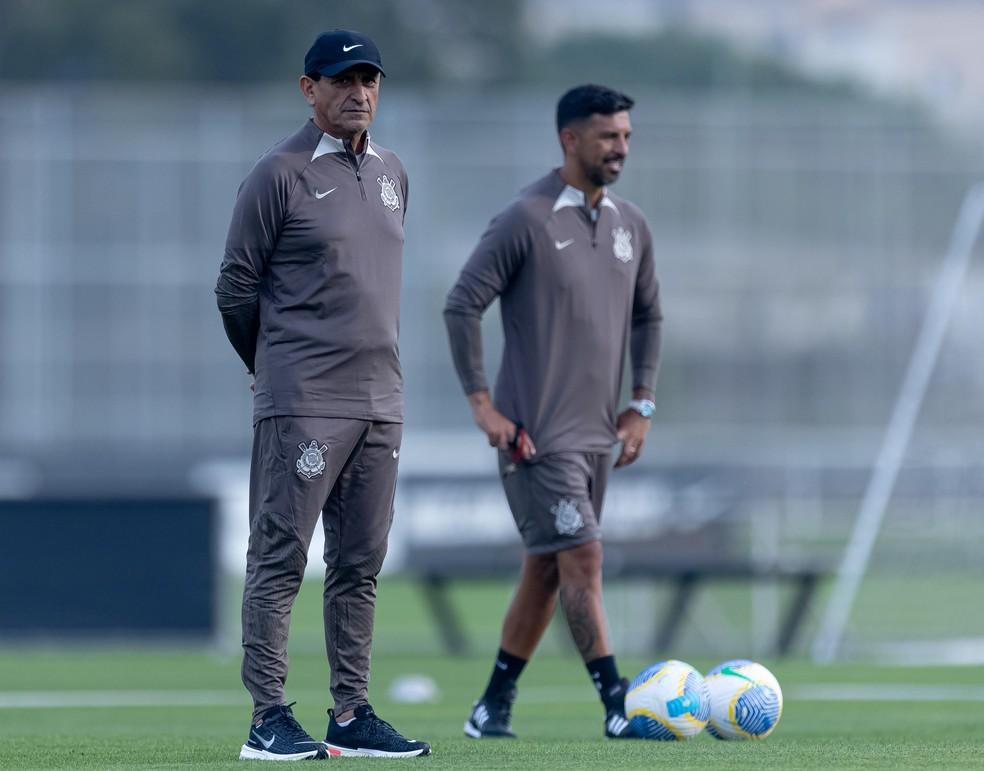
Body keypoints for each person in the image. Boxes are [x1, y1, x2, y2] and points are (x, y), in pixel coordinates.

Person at [215, 29, 430, 760]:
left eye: (368, 80)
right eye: (342, 80)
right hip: (303, 399)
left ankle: (351, 712)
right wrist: (271, 363)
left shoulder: (395, 171)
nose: (358, 92)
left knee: (359, 565)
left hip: (381, 400)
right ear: (308, 89)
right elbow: (235, 288)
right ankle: (267, 717)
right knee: (279, 558)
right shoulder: (278, 174)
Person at [444, 84, 663, 740]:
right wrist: (483, 405)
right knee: (584, 557)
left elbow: (649, 315)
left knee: (547, 568)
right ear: (570, 139)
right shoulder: (526, 219)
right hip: (535, 440)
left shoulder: (631, 225)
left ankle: (491, 707)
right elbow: (461, 304)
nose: (621, 147)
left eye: (625, 135)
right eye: (607, 136)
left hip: (600, 435)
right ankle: (618, 702)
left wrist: (641, 403)